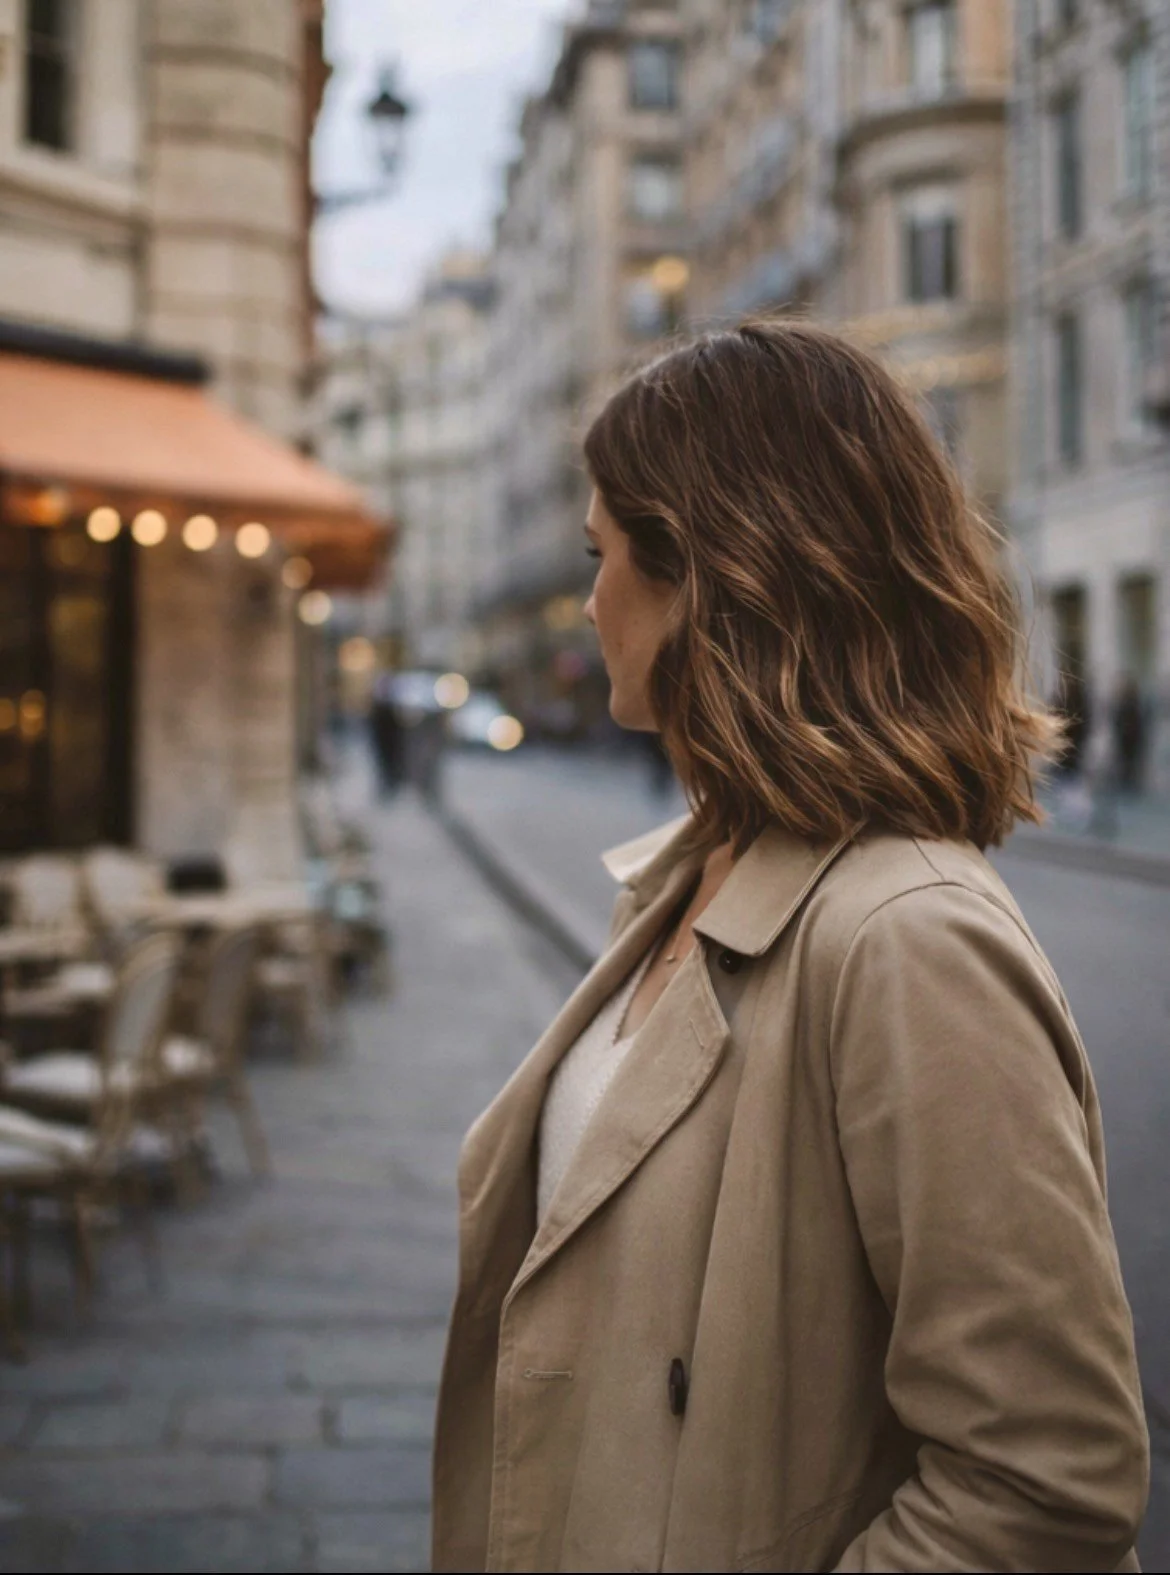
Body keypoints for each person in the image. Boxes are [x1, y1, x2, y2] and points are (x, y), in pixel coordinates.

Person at [432, 322, 1148, 1573]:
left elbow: (1041, 1483)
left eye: (608, 559)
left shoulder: (909, 937)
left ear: (717, 572)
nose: (590, 602)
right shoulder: (685, 880)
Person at [1113, 673, 1147, 793]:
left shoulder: (1134, 704)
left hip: (1131, 738)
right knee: (1126, 760)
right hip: (1126, 738)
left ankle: (1129, 780)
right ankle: (1126, 779)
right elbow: (1117, 720)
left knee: (1130, 760)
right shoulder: (1126, 703)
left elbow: (1139, 723)